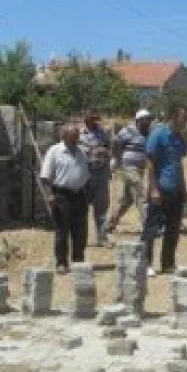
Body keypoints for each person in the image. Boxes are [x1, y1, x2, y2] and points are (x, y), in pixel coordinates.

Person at [142, 105, 187, 277]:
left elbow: (179, 164)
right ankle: (146, 263)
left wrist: (183, 188)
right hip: (160, 189)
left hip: (175, 189)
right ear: (173, 117)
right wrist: (153, 189)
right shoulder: (158, 135)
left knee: (173, 228)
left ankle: (168, 263)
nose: (185, 122)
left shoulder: (179, 138)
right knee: (151, 228)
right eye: (183, 118)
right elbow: (150, 163)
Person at [40, 122, 91, 274]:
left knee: (80, 231)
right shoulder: (55, 151)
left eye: (77, 135)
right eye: (74, 135)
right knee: (62, 230)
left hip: (79, 195)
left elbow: (86, 174)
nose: (77, 137)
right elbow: (45, 176)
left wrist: (87, 193)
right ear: (64, 136)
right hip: (62, 195)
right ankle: (61, 262)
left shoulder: (81, 151)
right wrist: (50, 194)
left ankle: (78, 260)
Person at [105, 109, 154, 233]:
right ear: (138, 121)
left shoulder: (149, 133)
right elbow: (116, 143)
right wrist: (115, 159)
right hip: (128, 167)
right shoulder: (128, 131)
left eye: (149, 119)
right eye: (145, 120)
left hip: (140, 168)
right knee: (140, 192)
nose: (147, 122)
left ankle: (110, 224)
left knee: (127, 200)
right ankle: (148, 224)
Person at [80, 109, 112, 246]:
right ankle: (80, 238)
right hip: (84, 174)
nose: (94, 120)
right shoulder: (79, 133)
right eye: (91, 117)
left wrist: (106, 154)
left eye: (95, 117)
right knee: (81, 208)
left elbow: (110, 147)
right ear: (85, 118)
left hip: (101, 173)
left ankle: (102, 237)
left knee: (101, 208)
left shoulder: (103, 133)